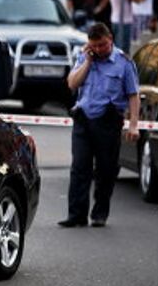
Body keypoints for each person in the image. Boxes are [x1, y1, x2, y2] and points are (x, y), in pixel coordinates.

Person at [59, 23, 140, 228]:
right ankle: (76, 215)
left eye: (103, 45)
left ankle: (99, 213)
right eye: (94, 46)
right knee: (79, 167)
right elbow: (72, 83)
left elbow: (133, 95)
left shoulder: (123, 62)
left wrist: (133, 125)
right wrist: (87, 61)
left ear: (110, 39)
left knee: (106, 169)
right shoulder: (85, 56)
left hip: (108, 120)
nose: (99, 49)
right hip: (84, 118)